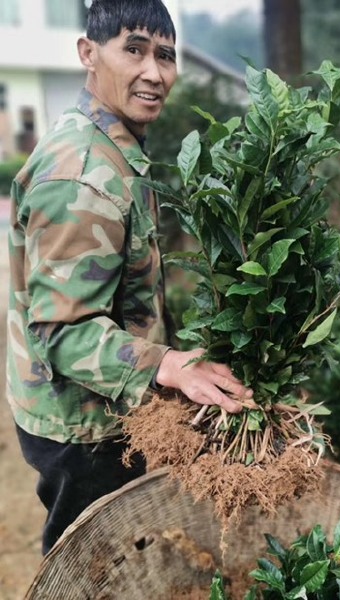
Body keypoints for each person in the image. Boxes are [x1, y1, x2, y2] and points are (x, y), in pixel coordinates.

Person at [5, 0, 252, 556]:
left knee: (121, 553)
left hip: (106, 401)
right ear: (89, 54)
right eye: (133, 49)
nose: (154, 72)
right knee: (90, 565)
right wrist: (166, 364)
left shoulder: (115, 148)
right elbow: (61, 331)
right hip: (81, 422)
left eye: (165, 55)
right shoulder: (82, 176)